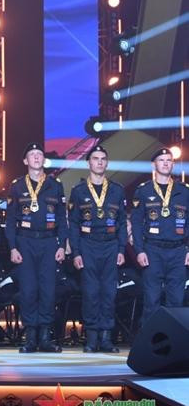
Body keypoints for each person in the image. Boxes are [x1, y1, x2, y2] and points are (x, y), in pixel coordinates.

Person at [5, 143, 68, 353]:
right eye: (32, 154)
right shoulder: (16, 186)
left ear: (44, 160)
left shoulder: (55, 185)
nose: (36, 157)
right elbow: (10, 220)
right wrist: (12, 248)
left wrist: (62, 245)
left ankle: (45, 337)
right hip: (25, 241)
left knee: (48, 290)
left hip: (49, 242)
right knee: (28, 290)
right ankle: (30, 337)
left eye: (39, 154)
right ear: (25, 160)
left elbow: (62, 219)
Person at [67, 145, 127, 353]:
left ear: (107, 163)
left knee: (109, 293)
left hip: (111, 245)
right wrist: (76, 252)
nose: (99, 162)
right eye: (95, 158)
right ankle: (91, 339)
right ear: (88, 163)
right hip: (88, 245)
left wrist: (121, 249)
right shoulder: (78, 191)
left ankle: (106, 338)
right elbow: (73, 224)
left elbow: (122, 223)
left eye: (103, 158)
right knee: (91, 292)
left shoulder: (117, 190)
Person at [130, 147, 189, 325]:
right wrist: (139, 250)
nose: (165, 163)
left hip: (178, 251)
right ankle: (151, 339)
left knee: (177, 301)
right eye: (161, 160)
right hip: (152, 251)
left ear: (173, 164)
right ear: (153, 165)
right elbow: (136, 223)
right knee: (151, 301)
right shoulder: (143, 191)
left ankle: (174, 340)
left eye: (169, 160)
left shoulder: (184, 191)